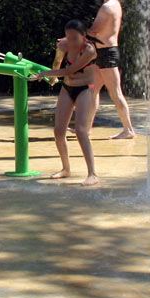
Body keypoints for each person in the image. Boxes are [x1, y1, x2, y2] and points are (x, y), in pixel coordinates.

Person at [32, 20, 100, 185]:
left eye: (75, 38)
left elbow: (70, 70)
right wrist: (54, 77)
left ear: (84, 36)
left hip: (85, 89)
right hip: (68, 88)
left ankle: (92, 174)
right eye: (68, 38)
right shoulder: (64, 44)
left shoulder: (90, 50)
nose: (71, 42)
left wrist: (45, 73)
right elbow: (58, 62)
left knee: (81, 131)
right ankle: (66, 169)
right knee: (58, 131)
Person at [88, 0, 136, 139]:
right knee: (92, 91)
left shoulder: (108, 7)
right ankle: (86, 128)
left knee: (115, 92)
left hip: (107, 53)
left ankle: (128, 130)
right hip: (102, 52)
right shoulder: (113, 4)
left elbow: (94, 31)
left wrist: (72, 36)